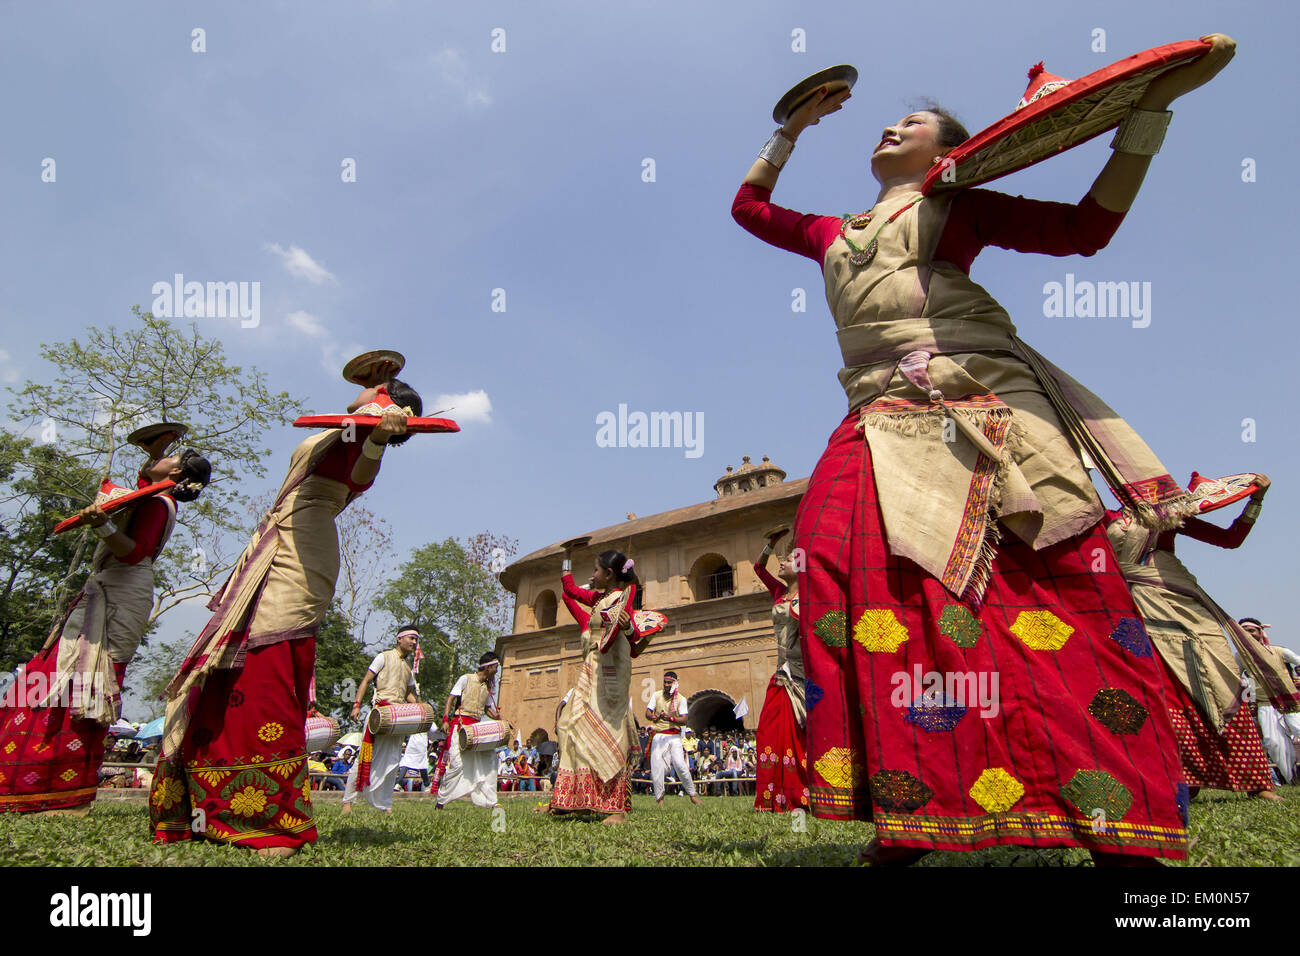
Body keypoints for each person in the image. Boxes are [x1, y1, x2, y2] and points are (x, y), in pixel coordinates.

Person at [731, 37, 1243, 864]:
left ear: (949, 148)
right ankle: (915, 805)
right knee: (839, 575)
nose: (891, 129)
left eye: (913, 123)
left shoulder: (958, 202)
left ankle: (1118, 815)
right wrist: (787, 133)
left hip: (978, 403)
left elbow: (1086, 230)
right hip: (872, 416)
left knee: (1046, 584)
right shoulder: (835, 230)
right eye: (888, 122)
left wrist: (1145, 115)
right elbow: (749, 212)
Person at [150, 366, 417, 855]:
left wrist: (382, 430)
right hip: (272, 545)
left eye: (371, 389)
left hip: (302, 551)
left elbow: (362, 472)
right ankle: (211, 807)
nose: (358, 392)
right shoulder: (341, 429)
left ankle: (271, 818)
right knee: (229, 666)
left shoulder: (368, 428)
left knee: (269, 662)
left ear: (381, 396)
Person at [0, 424, 210, 816]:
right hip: (106, 589)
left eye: (168, 455)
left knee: (88, 686)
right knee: (51, 678)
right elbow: (136, 486)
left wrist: (102, 525)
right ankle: (28, 783)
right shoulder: (144, 498)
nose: (157, 456)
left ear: (177, 475)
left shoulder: (158, 505)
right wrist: (155, 453)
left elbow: (132, 552)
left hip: (121, 594)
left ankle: (62, 793)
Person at [1104, 477, 1295, 801]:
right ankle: (1182, 780)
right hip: (1130, 604)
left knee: (1220, 677)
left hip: (1180, 601)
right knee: (1158, 689)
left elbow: (1230, 539)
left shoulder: (1170, 513)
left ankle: (1257, 782)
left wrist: (1255, 499)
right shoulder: (1103, 519)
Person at [546, 548, 643, 823]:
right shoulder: (601, 599)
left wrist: (627, 627)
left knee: (607, 733)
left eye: (596, 570)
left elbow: (637, 638)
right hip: (593, 671)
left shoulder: (624, 599)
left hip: (611, 675)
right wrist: (567, 556)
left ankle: (615, 808)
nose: (592, 575)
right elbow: (570, 591)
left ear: (610, 574)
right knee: (569, 724)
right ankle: (573, 799)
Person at [752, 527, 809, 812]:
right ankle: (774, 796)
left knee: (798, 734)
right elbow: (757, 568)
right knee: (769, 730)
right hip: (780, 672)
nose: (781, 563)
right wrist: (770, 545)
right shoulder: (779, 591)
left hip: (799, 674)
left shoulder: (812, 596)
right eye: (781, 559)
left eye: (787, 559)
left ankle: (801, 797)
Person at [342, 627, 423, 813]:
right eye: (411, 638)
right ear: (399, 639)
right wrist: (356, 704)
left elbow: (408, 693)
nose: (413, 642)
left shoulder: (408, 668)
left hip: (398, 717)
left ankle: (384, 804)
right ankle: (347, 800)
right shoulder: (383, 657)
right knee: (365, 756)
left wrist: (419, 706)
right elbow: (366, 680)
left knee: (393, 760)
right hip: (380, 713)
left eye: (415, 640)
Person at [436, 652, 503, 809]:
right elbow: (451, 699)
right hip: (460, 726)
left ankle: (490, 802)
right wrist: (445, 720)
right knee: (457, 765)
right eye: (495, 667)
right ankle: (441, 801)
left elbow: (487, 709)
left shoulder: (488, 687)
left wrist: (500, 719)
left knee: (488, 761)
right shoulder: (465, 679)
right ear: (488, 667)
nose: (496, 671)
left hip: (477, 730)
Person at [1239, 619, 1300, 784]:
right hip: (1265, 705)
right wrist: (1247, 700)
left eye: (1251, 630)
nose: (1248, 634)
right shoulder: (1241, 657)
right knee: (1274, 745)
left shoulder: (1279, 651)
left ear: (1260, 632)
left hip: (1291, 703)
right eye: (1243, 631)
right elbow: (1237, 678)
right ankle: (1292, 780)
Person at [645, 671, 702, 806]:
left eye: (669, 682)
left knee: (680, 765)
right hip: (658, 735)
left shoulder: (681, 699)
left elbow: (684, 719)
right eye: (665, 682)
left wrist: (670, 718)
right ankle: (660, 800)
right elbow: (648, 712)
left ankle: (692, 795)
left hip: (674, 736)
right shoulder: (656, 695)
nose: (666, 685)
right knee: (657, 767)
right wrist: (654, 717)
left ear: (675, 683)